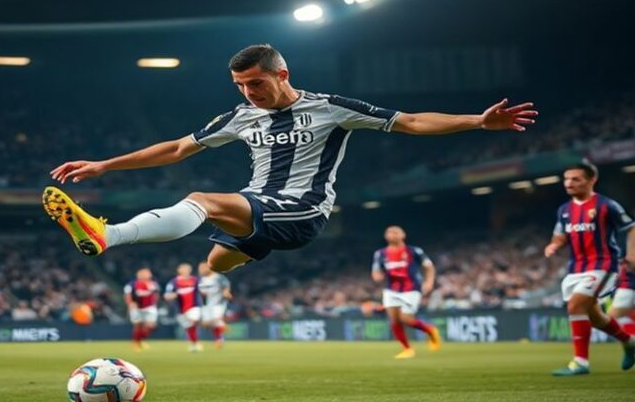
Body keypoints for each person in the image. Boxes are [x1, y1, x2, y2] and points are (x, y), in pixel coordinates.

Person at [43, 44, 537, 275]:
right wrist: (104, 165)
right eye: (239, 85)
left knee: (201, 199)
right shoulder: (239, 117)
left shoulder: (329, 108)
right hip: (260, 207)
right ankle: (240, 246)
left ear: (283, 73)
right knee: (215, 264)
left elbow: (410, 121)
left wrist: (477, 121)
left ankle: (108, 235)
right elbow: (174, 148)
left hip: (302, 210)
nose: (248, 92)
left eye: (256, 82)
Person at [544, 162, 635, 376]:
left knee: (576, 305)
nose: (569, 183)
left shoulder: (606, 205)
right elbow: (560, 234)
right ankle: (630, 342)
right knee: (596, 317)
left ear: (591, 180)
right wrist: (554, 244)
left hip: (603, 265)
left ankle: (580, 362)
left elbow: (631, 227)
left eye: (575, 179)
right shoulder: (564, 210)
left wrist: (632, 254)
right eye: (566, 179)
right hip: (575, 268)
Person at [372, 225, 440, 358]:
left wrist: (429, 282)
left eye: (396, 232)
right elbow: (375, 271)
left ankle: (430, 330)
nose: (393, 235)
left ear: (403, 235)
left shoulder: (414, 251)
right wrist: (377, 277)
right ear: (386, 236)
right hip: (391, 290)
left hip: (411, 288)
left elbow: (429, 266)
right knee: (394, 320)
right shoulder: (380, 253)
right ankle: (407, 349)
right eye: (390, 232)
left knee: (406, 319)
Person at [163, 263, 203, 351]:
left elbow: (202, 290)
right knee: (188, 327)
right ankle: (194, 343)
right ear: (179, 270)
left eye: (187, 269)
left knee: (194, 320)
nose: (185, 271)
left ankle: (194, 343)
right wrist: (172, 295)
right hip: (180, 309)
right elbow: (167, 295)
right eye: (183, 269)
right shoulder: (174, 282)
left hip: (194, 306)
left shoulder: (195, 280)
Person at [197, 261, 233, 347]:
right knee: (207, 324)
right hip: (206, 305)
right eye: (200, 268)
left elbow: (226, 285)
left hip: (218, 303)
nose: (200, 270)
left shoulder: (219, 277)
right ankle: (223, 327)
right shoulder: (200, 279)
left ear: (208, 267)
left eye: (202, 268)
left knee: (216, 319)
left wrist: (226, 292)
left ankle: (219, 339)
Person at [123, 267, 160, 351]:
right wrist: (130, 304)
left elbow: (156, 294)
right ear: (139, 275)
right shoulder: (131, 285)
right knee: (138, 325)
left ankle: (140, 339)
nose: (147, 274)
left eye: (148, 273)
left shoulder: (153, 284)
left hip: (150, 307)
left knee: (151, 326)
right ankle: (136, 343)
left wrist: (155, 303)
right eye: (144, 273)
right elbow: (127, 295)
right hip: (136, 307)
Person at [609, 263, 635, 336]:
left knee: (613, 318)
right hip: (626, 285)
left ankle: (631, 340)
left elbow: (632, 260)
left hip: (629, 285)